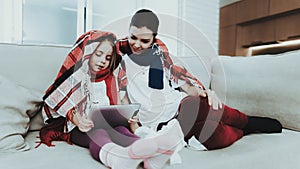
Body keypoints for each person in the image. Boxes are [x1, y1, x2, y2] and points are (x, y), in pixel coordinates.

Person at [116, 9, 283, 150]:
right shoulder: (119, 61)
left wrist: (204, 92)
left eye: (144, 41)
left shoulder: (161, 57)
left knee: (201, 104)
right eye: (133, 37)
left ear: (153, 39)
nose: (136, 44)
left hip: (178, 106)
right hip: (159, 123)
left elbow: (187, 86)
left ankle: (247, 121)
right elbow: (121, 98)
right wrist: (132, 121)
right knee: (211, 135)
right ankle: (243, 131)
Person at [37, 30, 184, 169]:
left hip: (108, 124)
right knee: (98, 134)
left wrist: (130, 116)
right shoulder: (78, 76)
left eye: (108, 58)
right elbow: (61, 100)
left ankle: (150, 155)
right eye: (98, 54)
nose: (103, 61)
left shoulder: (112, 77)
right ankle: (117, 159)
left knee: (121, 131)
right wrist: (78, 120)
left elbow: (119, 105)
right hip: (79, 128)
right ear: (88, 53)